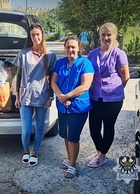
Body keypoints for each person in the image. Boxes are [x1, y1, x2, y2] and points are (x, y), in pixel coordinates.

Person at [86, 22, 130, 168]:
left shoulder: (119, 54)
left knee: (108, 126)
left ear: (115, 35)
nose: (106, 38)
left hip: (113, 99)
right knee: (93, 128)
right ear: (99, 36)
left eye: (109, 34)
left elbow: (126, 77)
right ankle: (100, 151)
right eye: (103, 35)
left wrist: (114, 89)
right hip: (95, 97)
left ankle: (102, 155)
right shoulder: (92, 54)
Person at [13, 23, 57, 166]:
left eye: (38, 34)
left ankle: (35, 152)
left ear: (42, 35)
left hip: (42, 95)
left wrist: (51, 97)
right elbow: (18, 76)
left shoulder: (50, 55)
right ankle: (26, 151)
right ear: (30, 37)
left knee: (39, 127)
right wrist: (17, 96)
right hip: (26, 96)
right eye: (33, 35)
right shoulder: (24, 53)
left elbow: (52, 78)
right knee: (26, 129)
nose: (35, 37)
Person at [51, 35, 94, 178]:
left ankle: (74, 165)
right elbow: (53, 82)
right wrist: (61, 97)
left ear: (79, 48)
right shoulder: (60, 63)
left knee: (73, 136)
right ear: (65, 49)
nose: (70, 49)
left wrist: (67, 96)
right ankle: (70, 158)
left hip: (78, 107)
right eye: (68, 47)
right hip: (63, 105)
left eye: (73, 47)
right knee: (64, 133)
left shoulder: (85, 63)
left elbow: (85, 86)